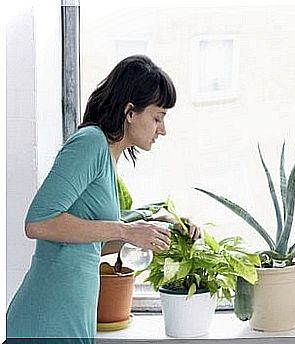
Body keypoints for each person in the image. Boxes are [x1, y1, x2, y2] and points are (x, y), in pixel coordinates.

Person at [6, 55, 200, 342]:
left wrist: (158, 227)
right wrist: (125, 229)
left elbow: (90, 241)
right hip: (47, 317)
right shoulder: (90, 143)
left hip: (71, 313)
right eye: (158, 117)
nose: (162, 129)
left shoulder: (108, 157)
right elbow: (38, 223)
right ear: (130, 112)